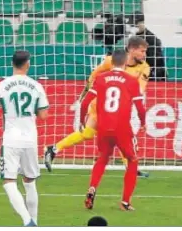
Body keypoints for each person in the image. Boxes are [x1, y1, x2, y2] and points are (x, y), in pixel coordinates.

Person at [44, 36, 150, 178]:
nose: (144, 55)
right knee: (121, 135)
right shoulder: (110, 61)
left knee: (89, 133)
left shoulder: (144, 67)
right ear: (131, 49)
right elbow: (94, 76)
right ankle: (131, 167)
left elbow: (140, 89)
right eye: (142, 51)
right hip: (101, 104)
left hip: (119, 106)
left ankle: (53, 149)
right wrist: (84, 95)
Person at [0, 50, 49, 226]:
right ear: (28, 64)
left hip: (10, 139)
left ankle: (27, 221)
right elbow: (43, 115)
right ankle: (35, 222)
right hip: (30, 139)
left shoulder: (2, 85)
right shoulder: (36, 86)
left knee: (9, 181)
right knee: (29, 181)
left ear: (12, 64)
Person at [80, 49, 147, 211]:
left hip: (103, 127)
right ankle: (125, 202)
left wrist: (82, 120)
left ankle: (92, 189)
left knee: (102, 159)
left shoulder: (101, 79)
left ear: (112, 62)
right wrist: (143, 122)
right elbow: (140, 107)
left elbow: (85, 102)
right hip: (122, 128)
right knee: (132, 160)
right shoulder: (131, 80)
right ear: (125, 62)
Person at [134, 13, 166, 81]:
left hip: (149, 74)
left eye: (136, 24)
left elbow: (157, 60)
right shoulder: (132, 37)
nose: (135, 26)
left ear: (142, 22)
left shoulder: (151, 38)